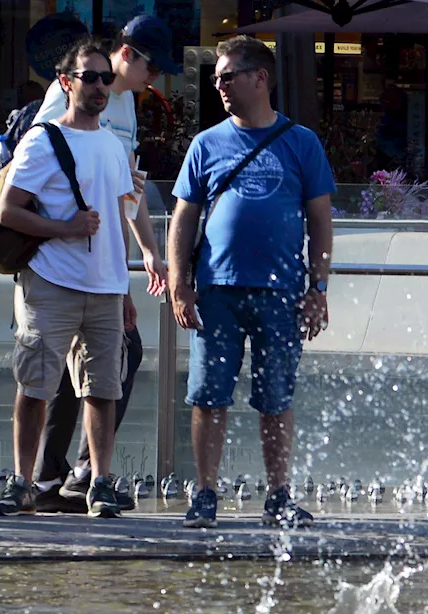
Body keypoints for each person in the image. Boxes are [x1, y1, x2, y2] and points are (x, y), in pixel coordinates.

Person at [167, 36, 335, 530]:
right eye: (216, 77)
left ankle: (279, 495)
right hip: (217, 290)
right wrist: (180, 281)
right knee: (207, 395)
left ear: (259, 78)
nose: (217, 84)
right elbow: (183, 217)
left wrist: (318, 288)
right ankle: (205, 493)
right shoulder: (207, 143)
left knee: (276, 398)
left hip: (281, 291)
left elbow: (321, 221)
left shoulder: (301, 142)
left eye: (227, 76)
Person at [26, 16, 179, 513]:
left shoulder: (128, 106)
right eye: (152, 68)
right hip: (59, 261)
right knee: (73, 367)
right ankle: (61, 475)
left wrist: (146, 253)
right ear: (128, 53)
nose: (154, 80)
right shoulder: (64, 95)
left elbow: (124, 191)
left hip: (102, 260)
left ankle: (75, 474)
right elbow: (32, 170)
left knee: (106, 362)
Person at [0, 38, 135, 518]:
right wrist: (63, 228)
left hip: (106, 288)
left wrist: (127, 285)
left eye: (105, 78)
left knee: (102, 389)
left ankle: (99, 482)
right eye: (88, 77)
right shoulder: (43, 138)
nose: (98, 86)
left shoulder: (113, 146)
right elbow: (8, 211)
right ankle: (21, 482)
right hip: (51, 282)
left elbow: (118, 219)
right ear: (65, 82)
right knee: (36, 386)